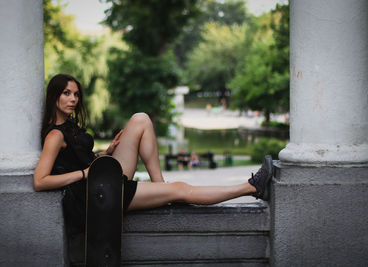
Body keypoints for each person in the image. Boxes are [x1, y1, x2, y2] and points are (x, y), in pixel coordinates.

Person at [34, 73, 273, 213]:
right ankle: (252, 187)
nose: (73, 99)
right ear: (54, 96)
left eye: (76, 94)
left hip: (101, 180)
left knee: (141, 119)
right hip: (97, 195)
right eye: (66, 93)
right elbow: (40, 181)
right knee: (181, 189)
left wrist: (104, 154)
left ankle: (161, 187)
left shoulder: (70, 127)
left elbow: (79, 159)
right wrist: (85, 173)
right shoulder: (55, 135)